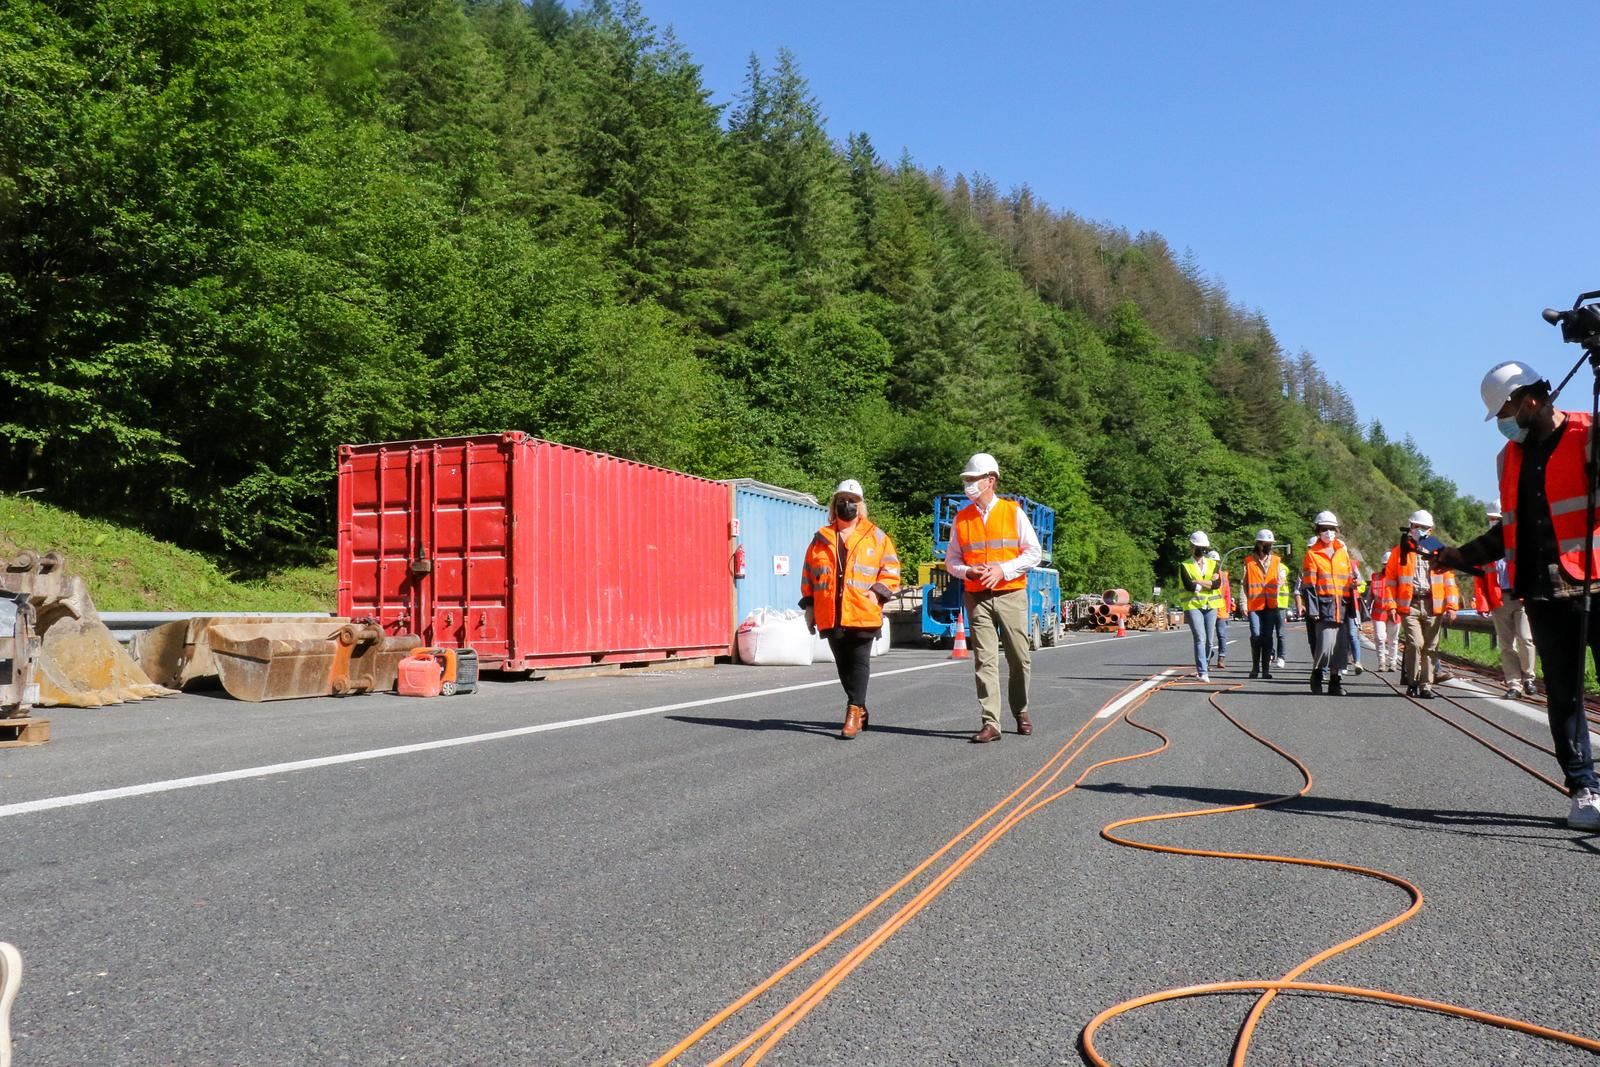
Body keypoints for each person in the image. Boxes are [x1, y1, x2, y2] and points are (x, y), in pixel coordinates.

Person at [1435, 361, 1600, 829]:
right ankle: (1584, 788)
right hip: (1543, 592)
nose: (1503, 423)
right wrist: (1456, 555)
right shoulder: (1509, 458)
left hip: (1597, 582)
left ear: (1529, 400)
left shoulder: (1590, 431)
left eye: (1505, 410)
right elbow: (1508, 534)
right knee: (1564, 696)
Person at [945, 453, 1042, 743]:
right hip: (977, 596)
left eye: (973, 479)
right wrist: (968, 571)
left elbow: (1033, 553)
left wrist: (1003, 569)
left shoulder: (1013, 512)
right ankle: (991, 722)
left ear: (991, 480)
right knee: (984, 660)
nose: (968, 485)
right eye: (966, 480)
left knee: (1019, 658)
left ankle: (1021, 710)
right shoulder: (961, 518)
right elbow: (951, 561)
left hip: (1011, 592)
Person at [800, 480, 902, 739]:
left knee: (858, 663)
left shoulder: (877, 537)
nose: (847, 504)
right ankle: (861, 707)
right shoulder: (820, 539)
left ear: (860, 505)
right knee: (843, 666)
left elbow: (891, 571)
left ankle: (852, 712)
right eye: (842, 499)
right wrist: (809, 606)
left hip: (863, 611)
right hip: (830, 614)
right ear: (834, 505)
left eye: (852, 500)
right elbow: (809, 576)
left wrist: (877, 592)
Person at [1381, 509, 1459, 699]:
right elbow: (1390, 581)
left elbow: (1449, 581)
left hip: (1434, 605)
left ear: (1430, 530)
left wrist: (1452, 606)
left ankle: (1426, 685)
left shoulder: (1439, 550)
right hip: (1410, 604)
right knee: (1415, 643)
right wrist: (1391, 605)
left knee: (1430, 647)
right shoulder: (1400, 551)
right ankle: (1412, 681)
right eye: (1416, 526)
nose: (1419, 530)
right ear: (1410, 527)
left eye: (1423, 527)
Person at [1478, 509, 1538, 698]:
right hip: (1498, 599)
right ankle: (1514, 684)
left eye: (1495, 519)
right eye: (1490, 520)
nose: (1492, 522)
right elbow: (1479, 578)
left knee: (1526, 639)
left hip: (1520, 598)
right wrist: (1483, 603)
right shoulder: (1486, 547)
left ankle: (1529, 677)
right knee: (1506, 645)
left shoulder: (1520, 542)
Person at [1301, 511, 1359, 695]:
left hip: (1342, 605)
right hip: (1323, 605)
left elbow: (1348, 578)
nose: (1328, 532)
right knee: (1325, 645)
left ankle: (1335, 682)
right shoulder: (1312, 554)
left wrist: (1354, 583)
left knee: (1341, 647)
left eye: (1331, 529)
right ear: (1318, 531)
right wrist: (1313, 608)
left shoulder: (1343, 552)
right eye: (1324, 529)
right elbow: (1309, 585)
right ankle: (1317, 675)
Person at [1178, 532, 1222, 682]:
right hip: (1193, 605)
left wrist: (1199, 581)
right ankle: (1202, 671)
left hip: (1211, 605)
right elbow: (1189, 586)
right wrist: (1207, 583)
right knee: (1200, 638)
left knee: (1210, 640)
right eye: (1198, 547)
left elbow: (1217, 584)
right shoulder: (1185, 565)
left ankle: (1205, 663)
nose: (1201, 551)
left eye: (1203, 548)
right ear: (1192, 547)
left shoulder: (1212, 564)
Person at [1243, 529, 1282, 679]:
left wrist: (1281, 582)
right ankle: (1255, 668)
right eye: (1267, 544)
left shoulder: (1276, 560)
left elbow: (1280, 579)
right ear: (1259, 544)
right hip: (1254, 605)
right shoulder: (1248, 561)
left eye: (1271, 544)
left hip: (1271, 605)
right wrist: (1244, 603)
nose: (1270, 546)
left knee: (1267, 636)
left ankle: (1265, 670)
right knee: (1256, 635)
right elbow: (1244, 584)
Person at [1369, 551, 1400, 672]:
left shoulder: (1399, 578)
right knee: (1380, 637)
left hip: (1394, 612)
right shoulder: (1376, 577)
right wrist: (1366, 608)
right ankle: (1381, 661)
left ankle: (1392, 662)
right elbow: (1370, 595)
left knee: (1393, 639)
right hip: (1379, 612)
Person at [1207, 549, 1232, 670]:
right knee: (1207, 636)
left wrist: (1227, 610)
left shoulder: (1223, 576)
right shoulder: (1204, 574)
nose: (1214, 564)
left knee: (1221, 635)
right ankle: (1208, 654)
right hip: (1208, 609)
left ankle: (1221, 657)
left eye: (1216, 562)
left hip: (1220, 610)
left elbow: (1227, 593)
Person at [1274, 561, 1291, 668]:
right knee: (1266, 633)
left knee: (1280, 633)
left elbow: (1280, 580)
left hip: (1280, 604)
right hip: (1267, 603)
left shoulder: (1281, 567)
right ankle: (1270, 654)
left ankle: (1281, 657)